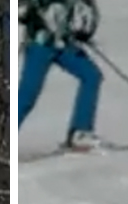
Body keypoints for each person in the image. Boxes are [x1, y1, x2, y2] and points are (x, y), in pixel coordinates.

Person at [17, 0, 104, 151]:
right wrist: (30, 13)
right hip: (40, 45)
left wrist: (83, 31)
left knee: (91, 75)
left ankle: (80, 132)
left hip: (64, 45)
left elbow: (85, 11)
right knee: (27, 95)